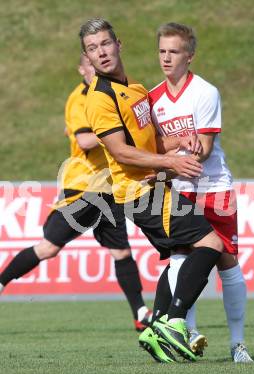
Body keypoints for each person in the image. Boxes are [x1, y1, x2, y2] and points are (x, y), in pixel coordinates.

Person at [80, 17, 224, 363]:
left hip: (152, 186)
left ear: (119, 45)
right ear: (87, 56)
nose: (100, 53)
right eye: (92, 49)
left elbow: (152, 139)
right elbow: (120, 151)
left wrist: (180, 140)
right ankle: (174, 323)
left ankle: (155, 327)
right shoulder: (100, 98)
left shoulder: (137, 89)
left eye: (105, 44)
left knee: (181, 257)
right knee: (210, 244)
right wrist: (172, 163)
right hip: (140, 192)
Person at [0, 54, 152, 333]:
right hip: (84, 188)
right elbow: (84, 140)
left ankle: (140, 313)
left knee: (121, 252)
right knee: (48, 248)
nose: (96, 69)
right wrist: (116, 131)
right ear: (81, 69)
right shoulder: (80, 99)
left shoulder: (108, 95)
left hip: (108, 188)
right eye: (90, 65)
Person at [149, 22, 253, 362]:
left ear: (189, 56)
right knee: (181, 258)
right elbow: (153, 145)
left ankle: (238, 344)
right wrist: (171, 156)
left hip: (214, 188)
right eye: (162, 50)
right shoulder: (152, 99)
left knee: (227, 262)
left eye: (174, 51)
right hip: (179, 190)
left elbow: (205, 149)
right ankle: (187, 333)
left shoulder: (205, 92)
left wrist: (192, 149)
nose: (166, 57)